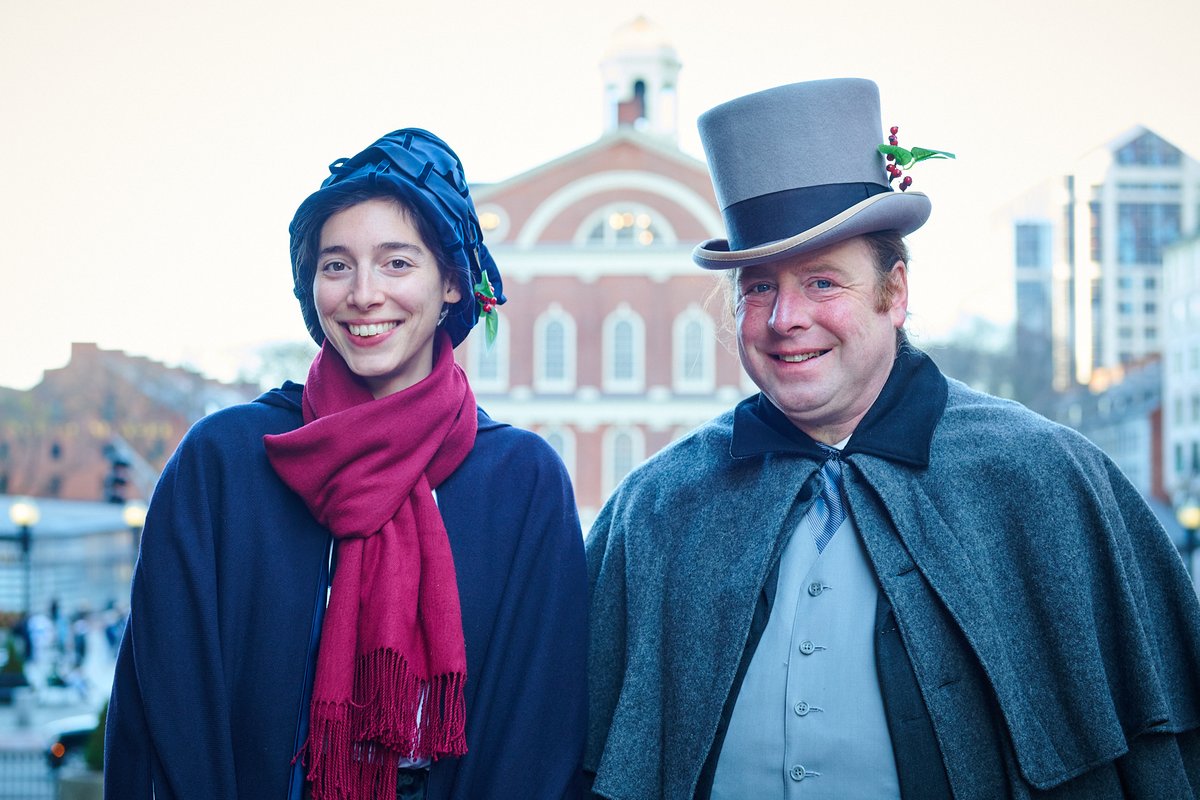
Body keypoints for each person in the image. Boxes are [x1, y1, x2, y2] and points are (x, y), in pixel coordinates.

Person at [585, 78, 1200, 799]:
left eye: (821, 283)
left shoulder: (1046, 475)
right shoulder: (656, 504)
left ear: (895, 293)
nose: (785, 318)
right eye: (758, 288)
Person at [105, 129, 588, 800]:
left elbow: (541, 723)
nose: (364, 294)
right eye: (336, 265)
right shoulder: (226, 462)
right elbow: (161, 703)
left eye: (396, 263)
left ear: (452, 282)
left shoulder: (520, 479)